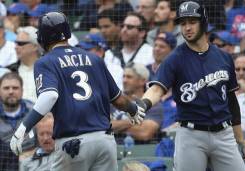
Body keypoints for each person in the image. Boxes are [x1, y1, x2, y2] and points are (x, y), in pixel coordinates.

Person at [9, 12, 146, 171]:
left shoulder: (45, 61)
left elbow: (50, 95)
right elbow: (118, 98)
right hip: (105, 142)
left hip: (72, 144)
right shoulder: (94, 59)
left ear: (43, 37)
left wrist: (24, 127)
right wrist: (133, 109)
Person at [137, 1, 245, 171]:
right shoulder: (174, 59)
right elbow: (157, 89)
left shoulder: (224, 58)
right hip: (191, 135)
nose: (187, 27)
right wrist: (143, 104)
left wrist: (239, 138)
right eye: (183, 23)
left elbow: (232, 101)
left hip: (224, 134)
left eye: (192, 22)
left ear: (203, 22)